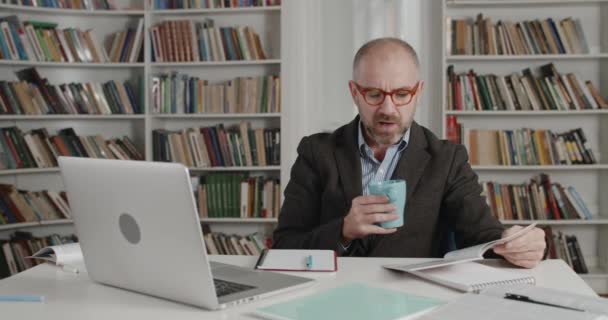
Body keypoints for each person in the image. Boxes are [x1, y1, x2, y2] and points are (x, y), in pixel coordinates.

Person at [273, 37, 546, 268]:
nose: (388, 109)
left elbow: (480, 235)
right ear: (354, 92)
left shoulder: (448, 159)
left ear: (418, 92)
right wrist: (343, 231)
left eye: (402, 94)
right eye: (374, 94)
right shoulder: (316, 152)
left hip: (413, 304)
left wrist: (512, 243)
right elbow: (284, 248)